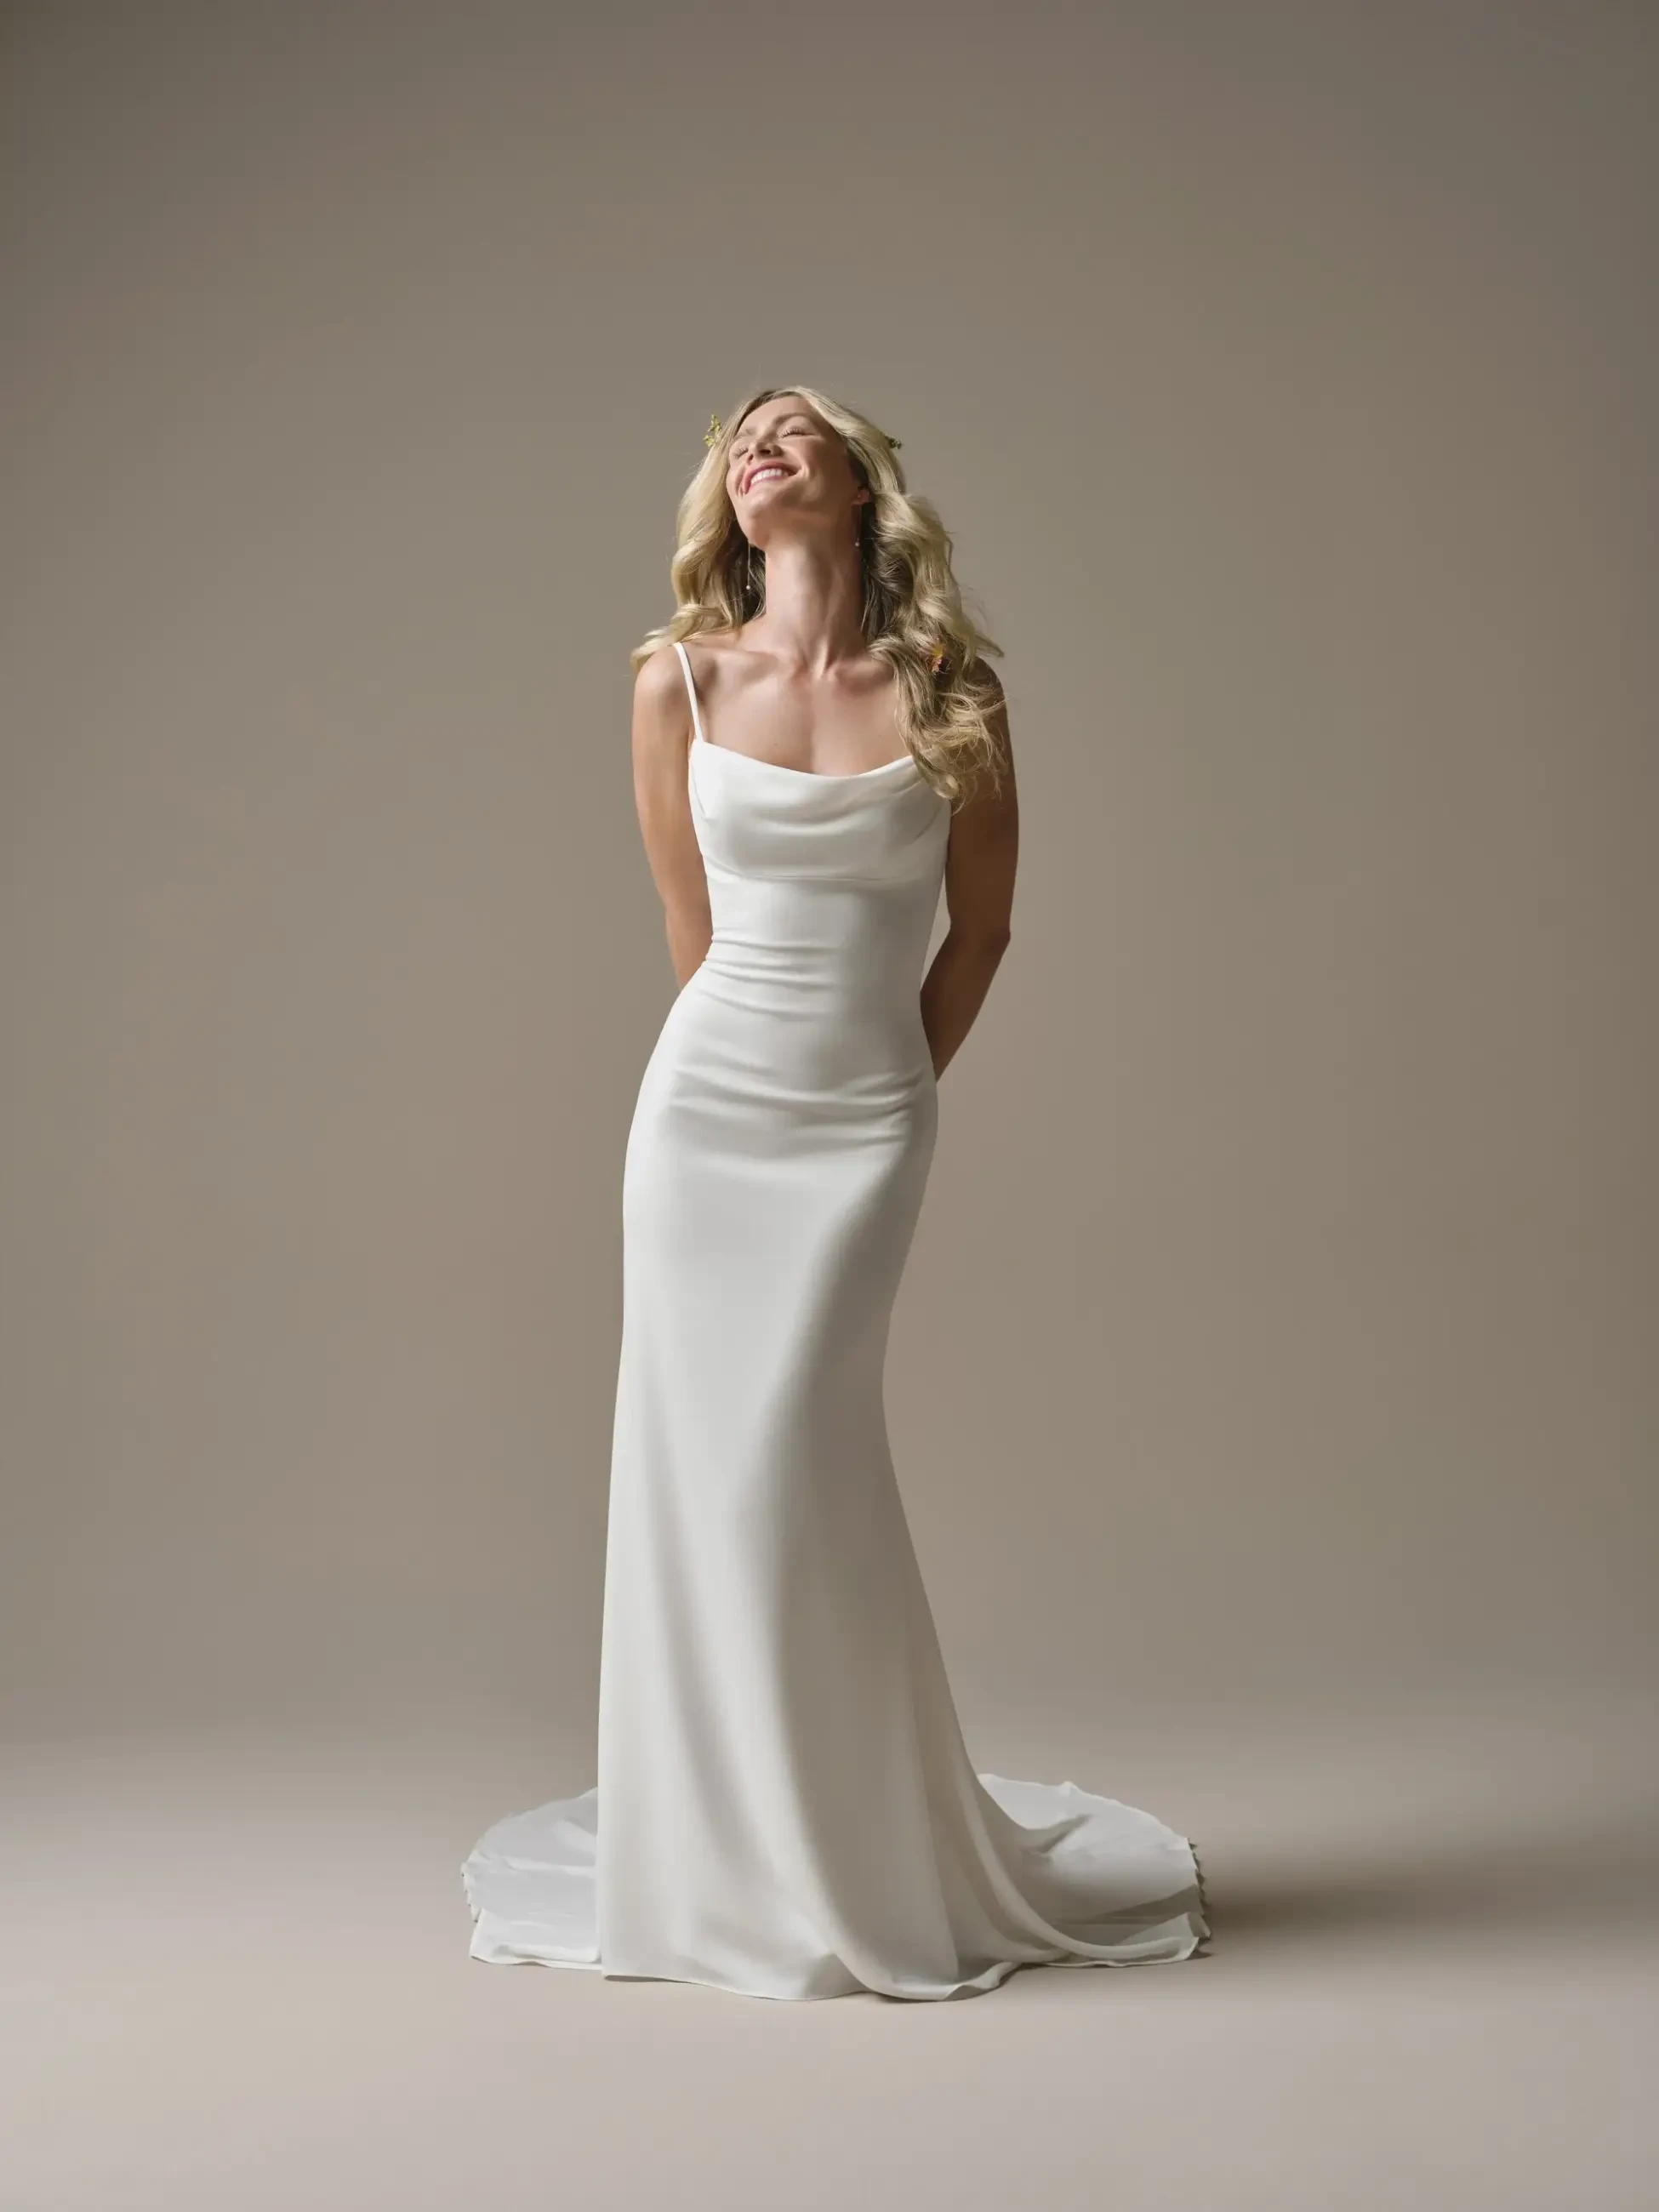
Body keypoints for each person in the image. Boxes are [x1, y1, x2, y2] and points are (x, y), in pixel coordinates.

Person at [460, 385, 1208, 2000]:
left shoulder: (951, 689)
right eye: (740, 435)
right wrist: (740, 1079)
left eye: (794, 427)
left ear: (861, 483)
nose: (759, 446)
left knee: (796, 1450)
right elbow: (692, 932)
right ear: (723, 495)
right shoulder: (673, 679)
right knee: (705, 1469)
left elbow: (983, 933)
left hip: (864, 1117)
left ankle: (849, 1839)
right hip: (704, 1114)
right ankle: (724, 1847)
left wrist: (886, 1094)